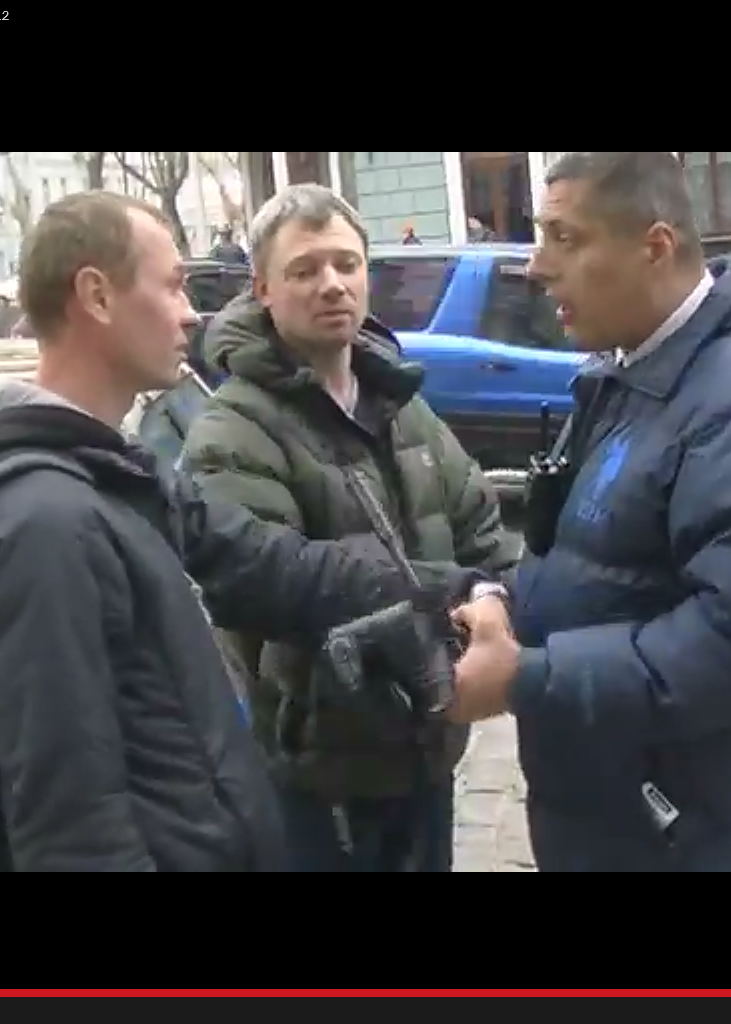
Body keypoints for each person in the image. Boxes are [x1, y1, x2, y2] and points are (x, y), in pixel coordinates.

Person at [0, 190, 485, 872]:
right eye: (172, 285)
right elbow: (71, 826)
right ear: (97, 296)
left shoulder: (109, 474)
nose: (191, 311)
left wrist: (460, 591)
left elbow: (271, 565)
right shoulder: (43, 523)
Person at [447, 152, 731, 872]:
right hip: (622, 821)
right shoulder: (631, 366)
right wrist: (503, 603)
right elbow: (599, 562)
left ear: (655, 247)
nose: (537, 267)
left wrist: (525, 678)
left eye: (565, 237)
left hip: (703, 842)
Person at [180, 183, 520, 872]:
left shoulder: (403, 406)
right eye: (304, 270)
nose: (332, 284)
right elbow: (267, 580)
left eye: (346, 264)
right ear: (263, 289)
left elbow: (482, 531)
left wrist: (493, 606)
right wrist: (444, 592)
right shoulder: (232, 429)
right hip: (320, 781)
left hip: (428, 751)